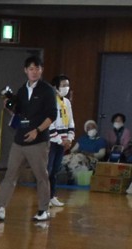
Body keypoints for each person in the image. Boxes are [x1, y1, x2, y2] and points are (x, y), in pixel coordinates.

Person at [0, 56, 55, 223]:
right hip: (19, 140)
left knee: (41, 176)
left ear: (41, 70)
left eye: (37, 68)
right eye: (31, 69)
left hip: (38, 141)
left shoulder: (47, 90)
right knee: (10, 174)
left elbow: (52, 115)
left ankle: (43, 210)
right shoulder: (23, 90)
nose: (34, 72)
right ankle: (0, 208)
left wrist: (37, 130)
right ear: (25, 71)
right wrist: (8, 106)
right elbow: (18, 113)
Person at [46, 74, 75, 207]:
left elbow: (71, 121)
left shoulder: (67, 102)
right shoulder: (50, 101)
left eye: (67, 85)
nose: (66, 88)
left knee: (55, 170)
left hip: (63, 141)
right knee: (48, 169)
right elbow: (49, 122)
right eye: (63, 85)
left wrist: (69, 138)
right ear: (55, 87)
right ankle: (45, 196)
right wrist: (59, 139)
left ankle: (52, 196)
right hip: (52, 141)